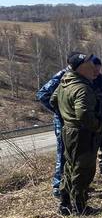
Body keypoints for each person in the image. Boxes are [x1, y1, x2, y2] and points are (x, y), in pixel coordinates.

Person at [50, 53, 102, 215]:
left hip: (69, 130)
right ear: (81, 67)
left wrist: (67, 116)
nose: (93, 66)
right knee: (83, 169)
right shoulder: (82, 88)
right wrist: (99, 126)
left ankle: (65, 203)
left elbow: (53, 100)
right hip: (83, 133)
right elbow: (84, 115)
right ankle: (80, 206)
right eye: (89, 63)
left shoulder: (65, 83)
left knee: (69, 166)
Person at [36, 65, 70, 198]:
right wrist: (60, 110)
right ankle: (58, 187)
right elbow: (42, 94)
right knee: (62, 155)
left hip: (73, 124)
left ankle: (69, 184)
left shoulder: (82, 76)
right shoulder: (63, 74)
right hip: (62, 122)